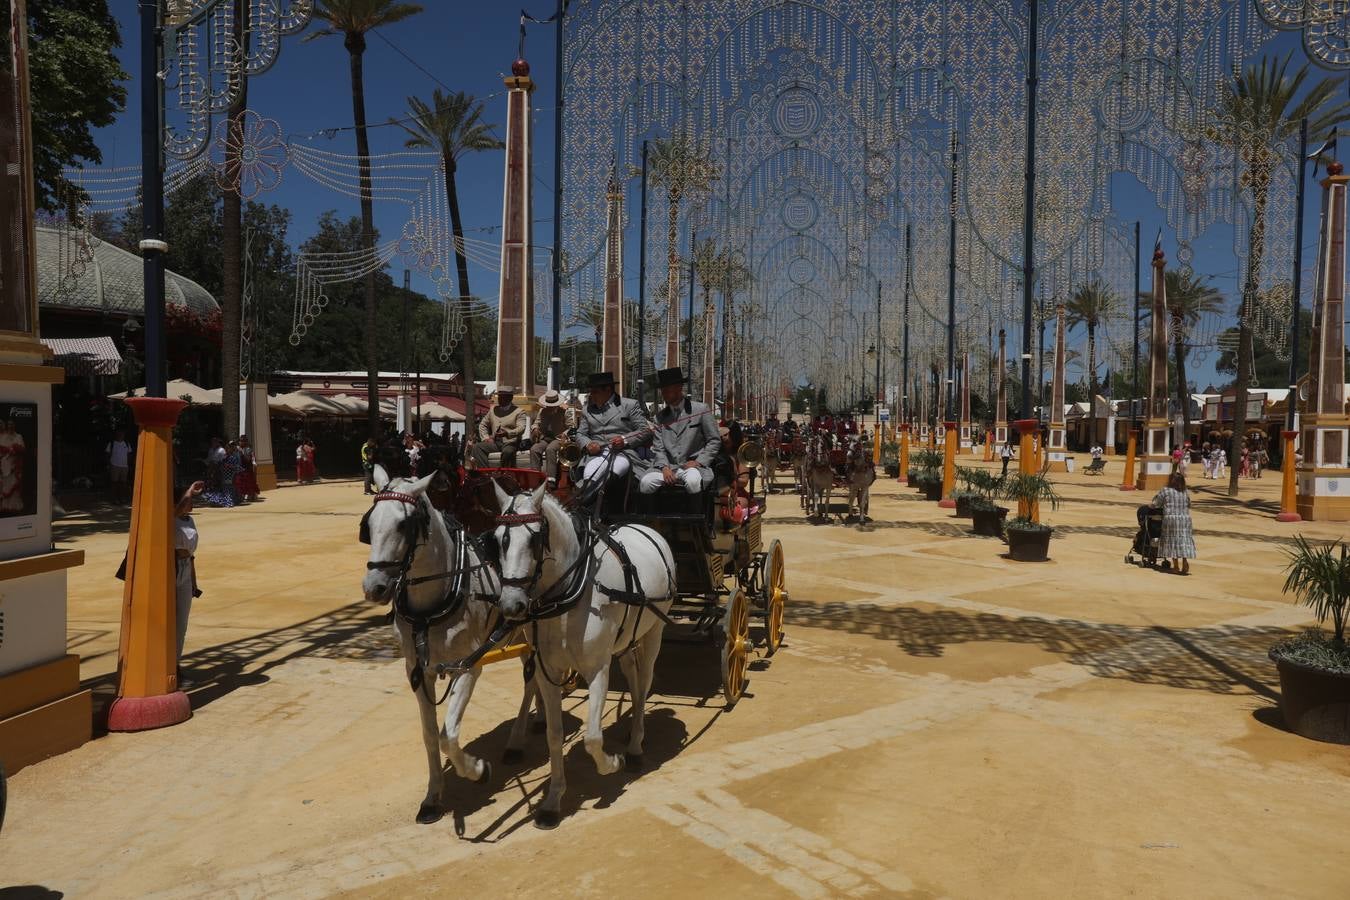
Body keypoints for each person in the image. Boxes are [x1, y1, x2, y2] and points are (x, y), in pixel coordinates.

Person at [639, 367, 721, 495]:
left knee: (693, 481)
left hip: (693, 467)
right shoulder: (659, 418)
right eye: (663, 390)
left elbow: (714, 440)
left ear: (679, 387)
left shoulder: (701, 409)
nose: (664, 394)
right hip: (667, 467)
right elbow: (658, 449)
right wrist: (664, 468)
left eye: (667, 390)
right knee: (645, 483)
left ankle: (695, 512)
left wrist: (699, 461)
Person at [576, 371, 652, 493]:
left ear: (608, 389)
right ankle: (586, 504)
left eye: (595, 392)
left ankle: (593, 504)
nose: (592, 396)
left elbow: (645, 430)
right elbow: (580, 434)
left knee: (611, 474)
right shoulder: (586, 410)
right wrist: (588, 444)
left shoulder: (630, 405)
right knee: (589, 475)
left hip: (623, 453)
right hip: (596, 454)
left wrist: (624, 440)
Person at [174, 480, 205, 685]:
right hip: (171, 568)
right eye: (187, 500)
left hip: (185, 568)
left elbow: (192, 555)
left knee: (181, 623)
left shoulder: (189, 521)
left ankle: (175, 664)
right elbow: (175, 511)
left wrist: (194, 581)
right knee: (168, 621)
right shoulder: (171, 519)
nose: (191, 503)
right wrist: (188, 491)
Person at [471, 385, 528, 468]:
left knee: (508, 452)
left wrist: (507, 433)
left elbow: (521, 428)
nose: (500, 399)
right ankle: (486, 473)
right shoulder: (493, 410)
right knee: (477, 447)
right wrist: (485, 438)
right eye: (499, 396)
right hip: (496, 443)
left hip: (511, 443)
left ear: (510, 398)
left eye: (503, 397)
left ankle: (505, 474)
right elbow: (483, 425)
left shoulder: (519, 412)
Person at [1151, 471, 1196, 575]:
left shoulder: (1166, 490)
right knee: (1184, 540)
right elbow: (1189, 504)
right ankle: (1185, 561)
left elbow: (1156, 504)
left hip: (1171, 519)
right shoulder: (1185, 491)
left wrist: (1151, 506)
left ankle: (1175, 566)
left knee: (1172, 541)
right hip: (1185, 519)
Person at [530, 388, 569, 488]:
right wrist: (534, 429)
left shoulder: (564, 412)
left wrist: (565, 433)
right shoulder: (542, 411)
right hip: (545, 437)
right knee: (534, 449)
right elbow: (536, 423)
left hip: (558, 438)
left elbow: (571, 427)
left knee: (550, 449)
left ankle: (551, 480)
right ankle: (535, 477)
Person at [203, 441, 242, 507]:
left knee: (230, 489)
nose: (226, 450)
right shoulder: (224, 458)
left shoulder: (234, 457)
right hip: (224, 477)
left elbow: (238, 468)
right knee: (225, 489)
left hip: (231, 477)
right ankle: (222, 500)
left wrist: (229, 467)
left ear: (231, 449)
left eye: (228, 448)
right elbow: (220, 466)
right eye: (226, 449)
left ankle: (231, 500)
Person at [106, 428, 133, 504]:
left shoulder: (127, 444)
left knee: (123, 483)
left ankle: (122, 498)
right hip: (114, 465)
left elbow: (129, 454)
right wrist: (109, 464)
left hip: (124, 466)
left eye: (122, 434)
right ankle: (114, 499)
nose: (121, 435)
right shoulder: (112, 443)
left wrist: (129, 464)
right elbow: (107, 454)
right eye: (119, 433)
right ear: (116, 434)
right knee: (114, 483)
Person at [235, 435, 260, 502]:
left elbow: (248, 460)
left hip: (247, 469)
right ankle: (241, 495)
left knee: (249, 483)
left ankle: (252, 495)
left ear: (246, 441)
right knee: (239, 483)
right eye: (240, 441)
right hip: (239, 469)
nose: (241, 442)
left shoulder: (248, 449)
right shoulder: (237, 449)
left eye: (243, 441)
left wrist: (241, 453)